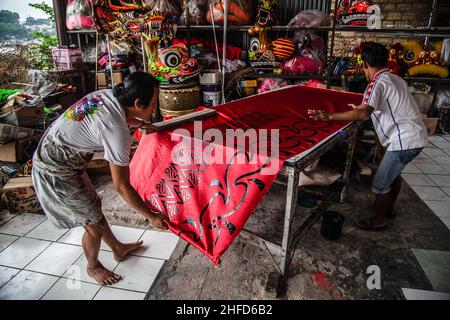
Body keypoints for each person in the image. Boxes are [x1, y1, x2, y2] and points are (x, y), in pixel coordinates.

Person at [32, 72, 168, 285]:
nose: (154, 108)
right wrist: (150, 216)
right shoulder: (117, 133)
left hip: (57, 150)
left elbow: (113, 116)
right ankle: (93, 267)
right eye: (152, 104)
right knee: (93, 224)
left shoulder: (106, 95)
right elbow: (121, 186)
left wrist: (139, 123)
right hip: (55, 169)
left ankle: (117, 249)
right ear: (138, 102)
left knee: (93, 208)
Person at [308, 42, 428, 231]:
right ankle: (387, 209)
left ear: (365, 64)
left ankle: (378, 220)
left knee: (380, 184)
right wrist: (361, 109)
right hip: (416, 138)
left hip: (403, 141)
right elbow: (381, 107)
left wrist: (329, 116)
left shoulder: (376, 82)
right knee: (394, 175)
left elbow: (364, 114)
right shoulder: (395, 79)